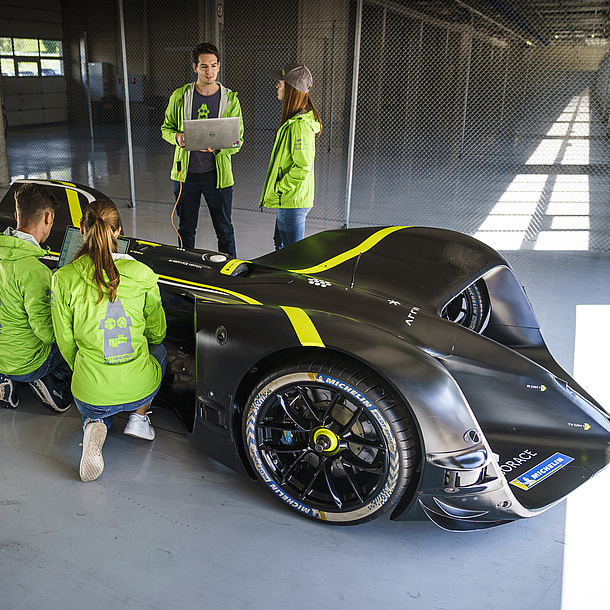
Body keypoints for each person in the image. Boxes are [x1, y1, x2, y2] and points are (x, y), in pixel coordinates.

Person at [51, 200, 167, 482]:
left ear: (82, 230)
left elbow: (65, 341)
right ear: (117, 232)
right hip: (139, 387)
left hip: (90, 393)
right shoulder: (143, 274)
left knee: (93, 396)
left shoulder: (63, 278)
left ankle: (94, 423)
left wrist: (82, 367)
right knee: (159, 350)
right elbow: (157, 332)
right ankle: (139, 416)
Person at [161, 42, 243, 256]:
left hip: (218, 177)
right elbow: (165, 128)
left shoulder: (230, 100)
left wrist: (218, 149)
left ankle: (228, 275)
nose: (210, 71)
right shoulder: (180, 96)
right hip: (186, 176)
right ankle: (185, 271)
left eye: (214, 66)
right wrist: (176, 137)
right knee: (186, 230)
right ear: (195, 67)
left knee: (224, 231)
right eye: (204, 66)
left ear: (219, 67)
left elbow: (237, 141)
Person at [0, 182, 72, 412]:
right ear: (49, 217)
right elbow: (48, 334)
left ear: (16, 215)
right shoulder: (34, 272)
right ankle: (47, 382)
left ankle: (4, 381)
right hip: (26, 363)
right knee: (67, 341)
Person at [259, 63, 322, 249]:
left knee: (292, 254)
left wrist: (280, 188)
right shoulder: (295, 121)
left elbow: (302, 166)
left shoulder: (299, 126)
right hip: (290, 199)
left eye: (281, 82)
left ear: (292, 88)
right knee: (281, 246)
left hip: (291, 200)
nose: (277, 85)